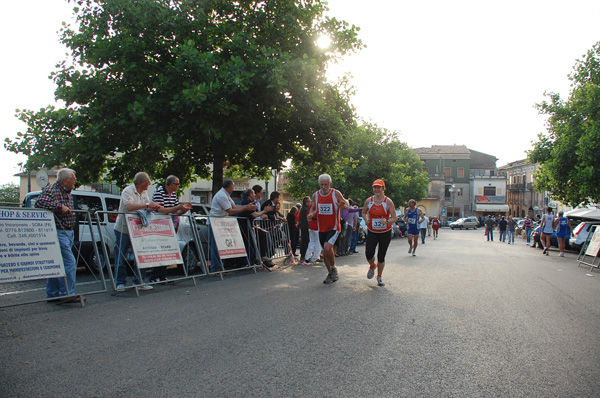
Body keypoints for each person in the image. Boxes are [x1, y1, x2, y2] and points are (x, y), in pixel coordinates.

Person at [35, 168, 81, 302]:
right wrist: (60, 207)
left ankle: (53, 293)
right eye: (74, 179)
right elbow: (40, 202)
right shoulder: (52, 190)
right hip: (58, 231)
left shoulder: (67, 192)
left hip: (67, 231)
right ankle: (67, 293)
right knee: (69, 262)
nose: (75, 181)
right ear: (65, 180)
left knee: (58, 263)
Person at [114, 172, 163, 291]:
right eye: (148, 182)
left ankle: (139, 281)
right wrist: (147, 205)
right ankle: (120, 282)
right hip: (124, 228)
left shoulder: (145, 192)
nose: (150, 184)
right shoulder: (128, 191)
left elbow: (145, 207)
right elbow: (129, 207)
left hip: (138, 229)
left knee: (141, 254)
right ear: (142, 183)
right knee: (120, 256)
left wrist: (153, 207)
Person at [149, 175, 192, 283]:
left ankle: (162, 275)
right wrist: (178, 207)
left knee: (166, 250)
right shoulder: (159, 193)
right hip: (159, 224)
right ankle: (154, 275)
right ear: (171, 184)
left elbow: (176, 211)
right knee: (159, 249)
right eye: (177, 184)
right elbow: (161, 210)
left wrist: (183, 210)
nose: (179, 186)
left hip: (170, 224)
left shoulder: (173, 195)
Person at [307, 174, 349, 284]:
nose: (324, 187)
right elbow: (314, 208)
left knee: (327, 247)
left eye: (326, 184)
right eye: (321, 185)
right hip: (322, 228)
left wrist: (343, 206)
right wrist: (311, 214)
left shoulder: (335, 193)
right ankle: (330, 272)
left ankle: (333, 268)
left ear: (330, 184)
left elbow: (346, 204)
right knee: (325, 253)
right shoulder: (315, 195)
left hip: (334, 226)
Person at [208, 179, 258, 272]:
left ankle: (220, 267)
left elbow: (234, 206)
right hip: (215, 222)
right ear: (229, 187)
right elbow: (230, 210)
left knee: (221, 246)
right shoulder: (222, 195)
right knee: (216, 246)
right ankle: (215, 268)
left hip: (220, 222)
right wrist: (246, 208)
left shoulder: (226, 195)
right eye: (233, 186)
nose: (234, 188)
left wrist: (246, 207)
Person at [362, 179, 398, 287]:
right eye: (375, 187)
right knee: (369, 253)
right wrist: (366, 219)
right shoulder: (369, 200)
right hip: (372, 231)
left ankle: (379, 277)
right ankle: (372, 266)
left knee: (381, 256)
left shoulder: (388, 202)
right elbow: (364, 212)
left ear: (383, 189)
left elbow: (395, 218)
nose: (376, 189)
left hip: (385, 232)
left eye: (379, 187)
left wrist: (387, 221)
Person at [298, 196, 311, 261]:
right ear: (306, 203)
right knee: (305, 241)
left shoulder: (304, 208)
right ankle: (303, 254)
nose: (310, 202)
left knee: (306, 240)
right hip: (305, 227)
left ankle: (304, 254)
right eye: (309, 201)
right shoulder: (305, 209)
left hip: (304, 226)